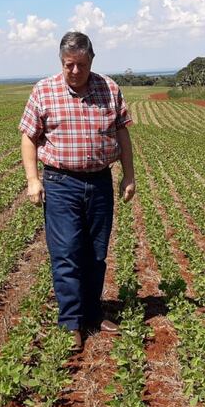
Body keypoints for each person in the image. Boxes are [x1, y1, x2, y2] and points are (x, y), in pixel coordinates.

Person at [19, 31, 135, 351]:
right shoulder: (44, 91)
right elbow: (29, 137)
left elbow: (122, 134)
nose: (74, 71)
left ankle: (93, 313)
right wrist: (33, 180)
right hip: (60, 183)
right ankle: (71, 321)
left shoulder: (109, 89)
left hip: (99, 181)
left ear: (91, 60)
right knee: (67, 253)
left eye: (81, 64)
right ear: (61, 61)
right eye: (69, 64)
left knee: (96, 254)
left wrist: (129, 175)